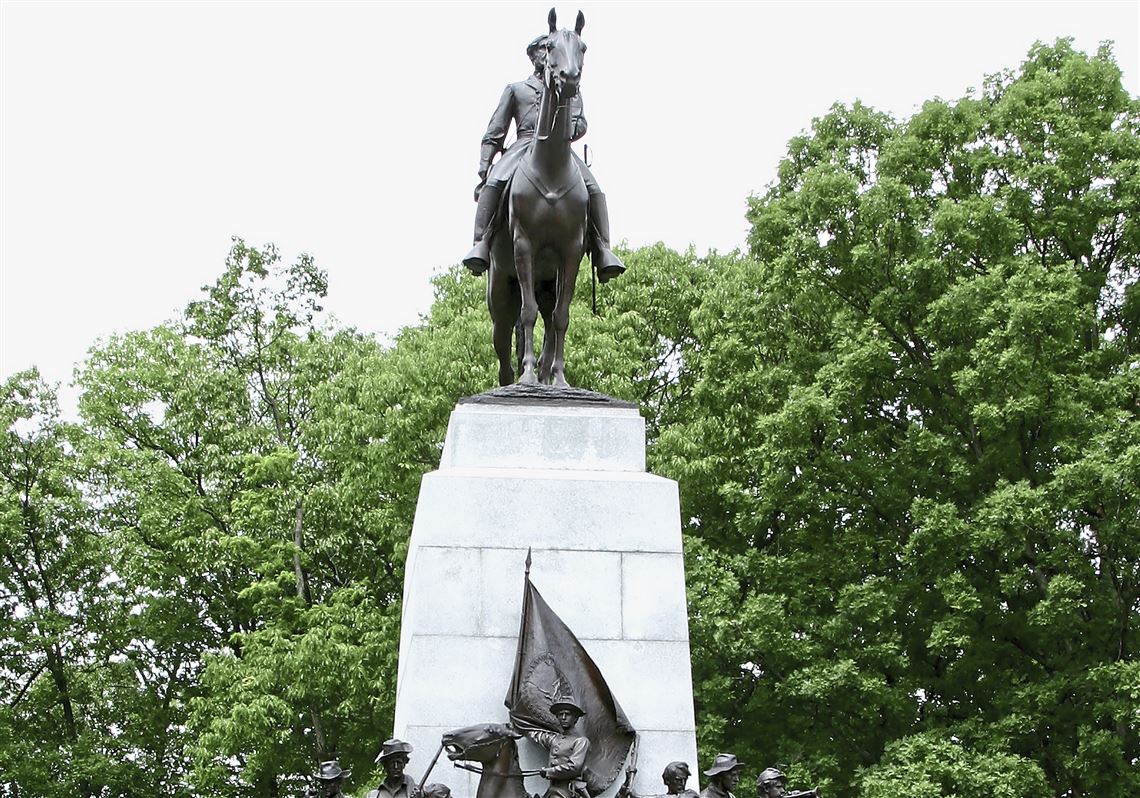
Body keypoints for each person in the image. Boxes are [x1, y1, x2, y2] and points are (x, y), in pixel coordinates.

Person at [463, 33, 625, 283]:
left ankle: (603, 250)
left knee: (594, 189)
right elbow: (495, 130)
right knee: (495, 182)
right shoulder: (516, 90)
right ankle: (481, 243)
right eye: (543, 50)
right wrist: (484, 167)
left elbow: (581, 122)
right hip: (522, 145)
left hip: (560, 147)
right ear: (533, 56)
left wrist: (566, 132)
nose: (547, 55)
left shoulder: (568, 88)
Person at [528, 694, 591, 798]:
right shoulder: (555, 739)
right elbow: (538, 736)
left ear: (575, 718)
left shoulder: (581, 741)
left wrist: (548, 771)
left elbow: (574, 767)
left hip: (570, 790)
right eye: (560, 714)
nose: (563, 717)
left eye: (567, 714)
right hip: (553, 789)